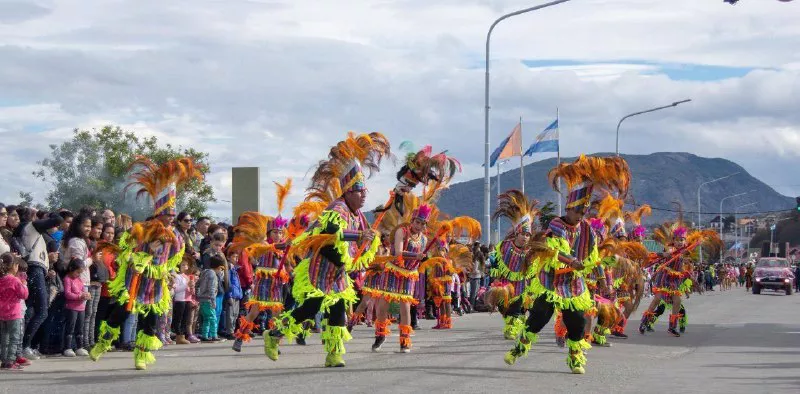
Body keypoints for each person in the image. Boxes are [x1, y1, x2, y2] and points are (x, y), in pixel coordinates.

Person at [263, 132, 388, 368]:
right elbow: (330, 234)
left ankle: (333, 354)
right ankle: (274, 334)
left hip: (338, 272)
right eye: (360, 192)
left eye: (365, 192)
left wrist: (370, 239)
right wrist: (359, 236)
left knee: (339, 311)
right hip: (320, 269)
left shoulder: (358, 215)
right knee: (309, 309)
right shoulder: (337, 208)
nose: (364, 196)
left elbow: (362, 239)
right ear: (348, 191)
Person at [504, 155, 630, 375]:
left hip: (573, 284)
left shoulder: (588, 230)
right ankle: (519, 348)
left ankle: (575, 359)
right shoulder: (556, 223)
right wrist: (572, 260)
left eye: (584, 212)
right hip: (552, 281)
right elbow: (555, 250)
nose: (581, 215)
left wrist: (603, 282)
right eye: (578, 211)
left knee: (578, 323)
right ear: (570, 208)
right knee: (538, 318)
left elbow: (594, 258)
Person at [90, 156, 200, 370]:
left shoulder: (176, 237)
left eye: (172, 216)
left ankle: (141, 355)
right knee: (119, 314)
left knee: (151, 322)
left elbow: (173, 259)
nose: (170, 219)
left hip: (155, 285)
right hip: (135, 281)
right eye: (167, 215)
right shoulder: (143, 229)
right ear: (158, 213)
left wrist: (168, 272)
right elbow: (126, 248)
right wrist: (145, 251)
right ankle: (102, 344)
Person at [485, 190, 537, 341]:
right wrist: (495, 278)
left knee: (518, 308)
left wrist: (533, 286)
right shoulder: (505, 246)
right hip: (505, 284)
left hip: (522, 285)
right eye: (523, 234)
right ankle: (514, 324)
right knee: (504, 308)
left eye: (528, 235)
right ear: (517, 233)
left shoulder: (530, 251)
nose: (525, 238)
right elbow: (494, 261)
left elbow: (534, 270)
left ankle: (512, 329)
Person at [20, 212, 63, 360]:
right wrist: (52, 217)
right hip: (35, 271)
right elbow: (58, 219)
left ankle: (25, 346)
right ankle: (24, 346)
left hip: (38, 272)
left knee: (32, 311)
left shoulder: (40, 237)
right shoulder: (32, 226)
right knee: (42, 311)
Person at [0, 253, 29, 371]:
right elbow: (24, 295)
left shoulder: (1, 280)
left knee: (4, 338)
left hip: (2, 314)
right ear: (13, 266)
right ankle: (10, 361)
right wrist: (24, 285)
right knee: (14, 338)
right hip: (14, 314)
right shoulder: (15, 280)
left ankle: (4, 360)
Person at [63, 259, 91, 357]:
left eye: (80, 272)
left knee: (80, 328)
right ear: (71, 269)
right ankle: (67, 347)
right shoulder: (67, 279)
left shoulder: (79, 280)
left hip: (81, 307)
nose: (79, 274)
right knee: (70, 327)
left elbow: (83, 290)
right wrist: (79, 296)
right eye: (77, 272)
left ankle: (79, 347)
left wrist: (86, 295)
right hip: (71, 307)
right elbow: (67, 294)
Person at [197, 255, 226, 342]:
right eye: (222, 269)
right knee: (213, 318)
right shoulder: (213, 275)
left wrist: (197, 294)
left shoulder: (204, 272)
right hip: (209, 299)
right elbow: (212, 289)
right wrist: (213, 301)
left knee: (206, 319)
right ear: (219, 267)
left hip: (202, 299)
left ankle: (205, 335)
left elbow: (197, 284)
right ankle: (214, 335)